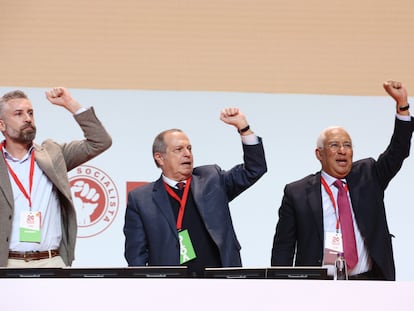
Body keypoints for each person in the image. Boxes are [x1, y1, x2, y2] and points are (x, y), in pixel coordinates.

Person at [270, 80, 414, 281]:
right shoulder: (296, 193)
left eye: (347, 145)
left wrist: (402, 106)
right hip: (318, 285)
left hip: (369, 281)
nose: (342, 150)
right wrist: (279, 288)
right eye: (334, 145)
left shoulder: (369, 174)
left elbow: (398, 151)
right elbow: (283, 248)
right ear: (319, 154)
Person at [124, 107, 267, 277]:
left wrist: (244, 129)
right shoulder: (141, 199)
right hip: (171, 287)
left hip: (219, 280)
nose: (187, 154)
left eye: (189, 148)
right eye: (179, 150)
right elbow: (136, 255)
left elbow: (254, 169)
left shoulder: (212, 178)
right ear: (159, 158)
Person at [0, 87, 112, 268]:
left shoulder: (53, 154)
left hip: (51, 261)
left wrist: (71, 104)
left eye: (30, 113)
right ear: (2, 125)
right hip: (8, 263)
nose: (27, 118)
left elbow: (100, 141)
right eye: (18, 114)